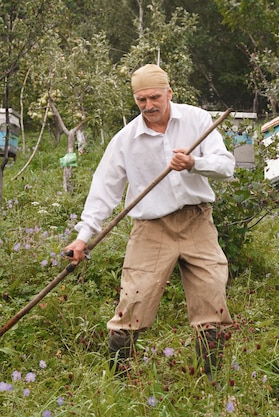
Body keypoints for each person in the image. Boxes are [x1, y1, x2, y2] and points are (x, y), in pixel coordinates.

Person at [64, 64, 234, 380]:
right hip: (151, 229)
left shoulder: (197, 120)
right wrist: (83, 237)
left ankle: (211, 381)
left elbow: (226, 166)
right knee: (133, 301)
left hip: (197, 222)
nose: (148, 105)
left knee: (212, 298)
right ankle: (118, 380)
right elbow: (104, 188)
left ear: (169, 93)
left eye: (154, 97)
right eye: (141, 100)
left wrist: (194, 163)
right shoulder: (126, 139)